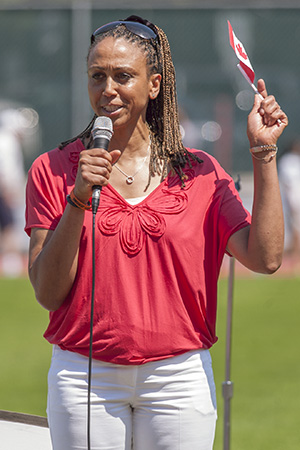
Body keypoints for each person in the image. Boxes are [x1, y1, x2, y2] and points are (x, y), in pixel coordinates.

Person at [25, 15, 288, 450]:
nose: (107, 89)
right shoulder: (54, 169)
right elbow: (48, 292)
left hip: (179, 379)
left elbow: (266, 258)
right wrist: (77, 198)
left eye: (123, 76)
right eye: (97, 76)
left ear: (155, 84)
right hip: (84, 378)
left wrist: (263, 153)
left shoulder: (201, 173)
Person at [278, 138, 300, 266]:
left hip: (293, 199)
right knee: (295, 227)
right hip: (294, 198)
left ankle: (295, 257)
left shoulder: (289, 161)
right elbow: (289, 182)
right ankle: (295, 257)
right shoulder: (291, 161)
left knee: (295, 227)